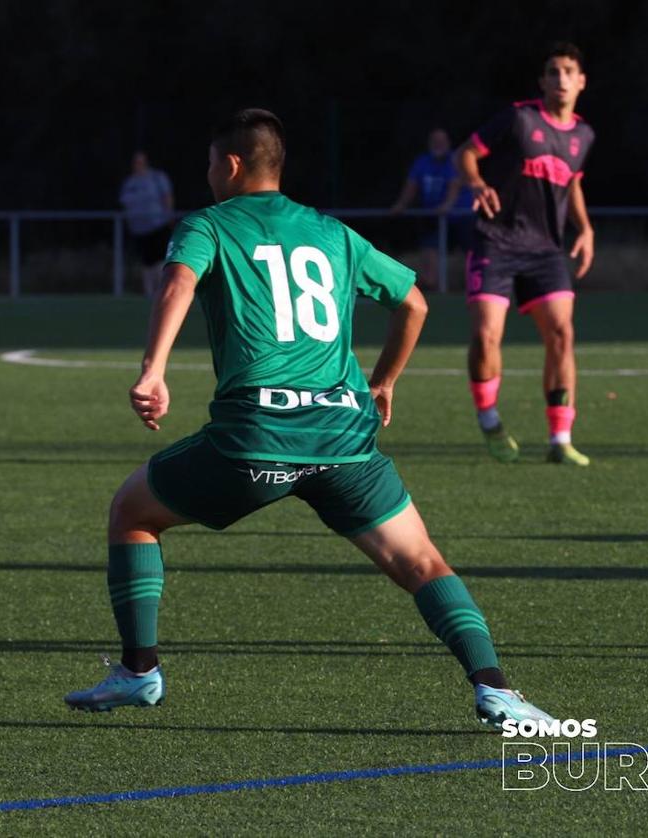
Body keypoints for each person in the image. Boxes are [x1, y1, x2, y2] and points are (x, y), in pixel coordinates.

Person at [64, 108, 555, 728]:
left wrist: (153, 368)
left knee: (132, 512)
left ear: (233, 164)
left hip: (258, 439)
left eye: (212, 163)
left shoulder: (209, 225)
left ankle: (138, 672)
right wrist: (383, 381)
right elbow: (414, 302)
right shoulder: (331, 231)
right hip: (343, 438)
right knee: (422, 562)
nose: (209, 173)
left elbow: (177, 285)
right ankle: (496, 689)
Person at [454, 43, 595, 466]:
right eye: (553, 71)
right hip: (495, 240)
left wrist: (585, 228)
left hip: (545, 249)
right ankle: (490, 421)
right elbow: (467, 152)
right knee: (486, 336)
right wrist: (477, 183)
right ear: (543, 81)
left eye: (569, 71)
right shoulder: (519, 118)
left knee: (562, 335)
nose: (561, 79)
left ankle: (561, 438)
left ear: (581, 81)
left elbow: (572, 184)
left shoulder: (584, 135)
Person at [390, 128, 472, 290]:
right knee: (430, 247)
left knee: (470, 249)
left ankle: (475, 284)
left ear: (448, 143)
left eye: (442, 141)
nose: (438, 145)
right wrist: (401, 204)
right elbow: (412, 185)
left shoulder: (455, 160)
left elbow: (454, 184)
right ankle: (431, 282)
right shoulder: (422, 161)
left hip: (461, 215)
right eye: (435, 141)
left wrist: (447, 205)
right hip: (434, 215)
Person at [119, 151, 174, 297]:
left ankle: (162, 291)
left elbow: (166, 197)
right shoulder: (130, 183)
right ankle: (149, 294)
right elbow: (125, 203)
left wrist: (169, 216)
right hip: (139, 229)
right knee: (147, 263)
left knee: (160, 261)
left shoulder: (157, 177)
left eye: (141, 161)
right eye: (136, 162)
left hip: (158, 225)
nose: (138, 165)